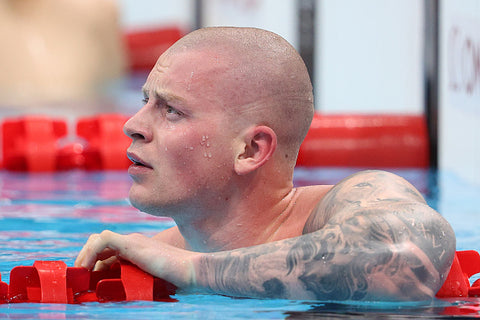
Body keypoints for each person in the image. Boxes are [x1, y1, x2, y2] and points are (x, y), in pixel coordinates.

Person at [75, 27, 456, 301]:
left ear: (251, 151)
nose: (133, 125)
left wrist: (196, 272)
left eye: (171, 111)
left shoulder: (355, 201)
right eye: (145, 101)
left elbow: (407, 253)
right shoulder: (150, 257)